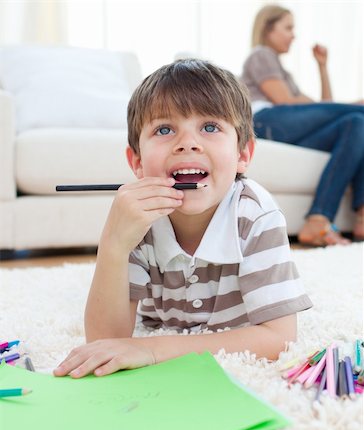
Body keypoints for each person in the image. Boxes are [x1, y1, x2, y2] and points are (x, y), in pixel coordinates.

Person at [54, 59, 312, 379]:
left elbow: (279, 339)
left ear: (243, 155)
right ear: (136, 162)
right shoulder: (137, 219)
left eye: (210, 127)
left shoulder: (256, 214)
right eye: (165, 129)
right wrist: (113, 243)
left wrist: (153, 349)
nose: (188, 143)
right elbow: (105, 341)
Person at [241, 4, 364, 246]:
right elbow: (285, 102)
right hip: (268, 122)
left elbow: (323, 105)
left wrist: (322, 66)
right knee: (357, 113)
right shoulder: (261, 55)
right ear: (268, 28)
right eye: (288, 28)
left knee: (356, 124)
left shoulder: (286, 74)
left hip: (290, 130)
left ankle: (321, 220)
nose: (293, 35)